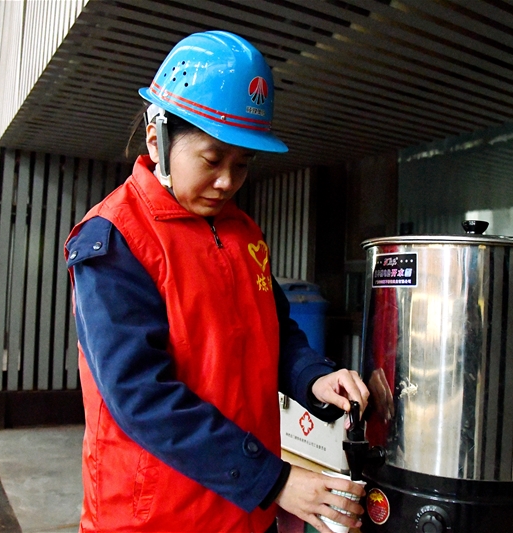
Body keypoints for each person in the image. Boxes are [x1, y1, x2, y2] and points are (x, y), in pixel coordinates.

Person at [65, 31, 369, 533]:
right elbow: (141, 396)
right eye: (212, 160)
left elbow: (273, 332)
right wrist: (275, 482)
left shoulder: (242, 232)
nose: (228, 181)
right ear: (157, 139)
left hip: (246, 511)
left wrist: (314, 377)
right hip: (159, 519)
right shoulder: (116, 239)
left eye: (242, 164)